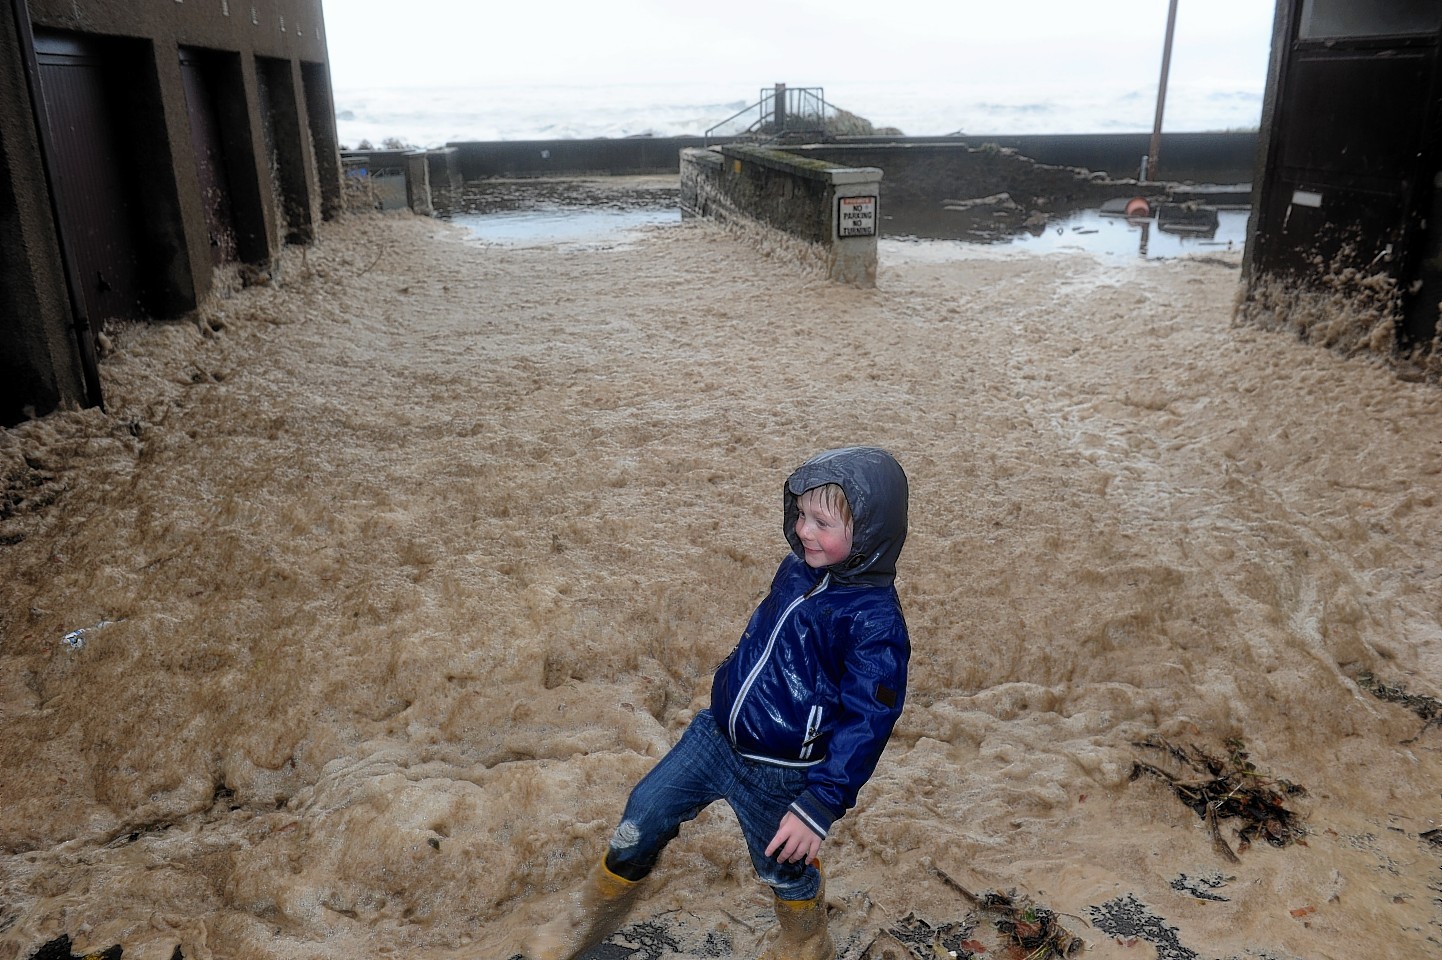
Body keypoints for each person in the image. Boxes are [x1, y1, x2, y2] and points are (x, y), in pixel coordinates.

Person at [527, 446, 910, 960]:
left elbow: (870, 719)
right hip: (715, 735)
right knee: (642, 814)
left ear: (868, 534)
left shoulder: (875, 623)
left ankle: (806, 942)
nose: (804, 531)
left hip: (781, 773)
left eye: (822, 522)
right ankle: (586, 917)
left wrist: (819, 804)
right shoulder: (796, 570)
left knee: (783, 868)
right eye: (800, 515)